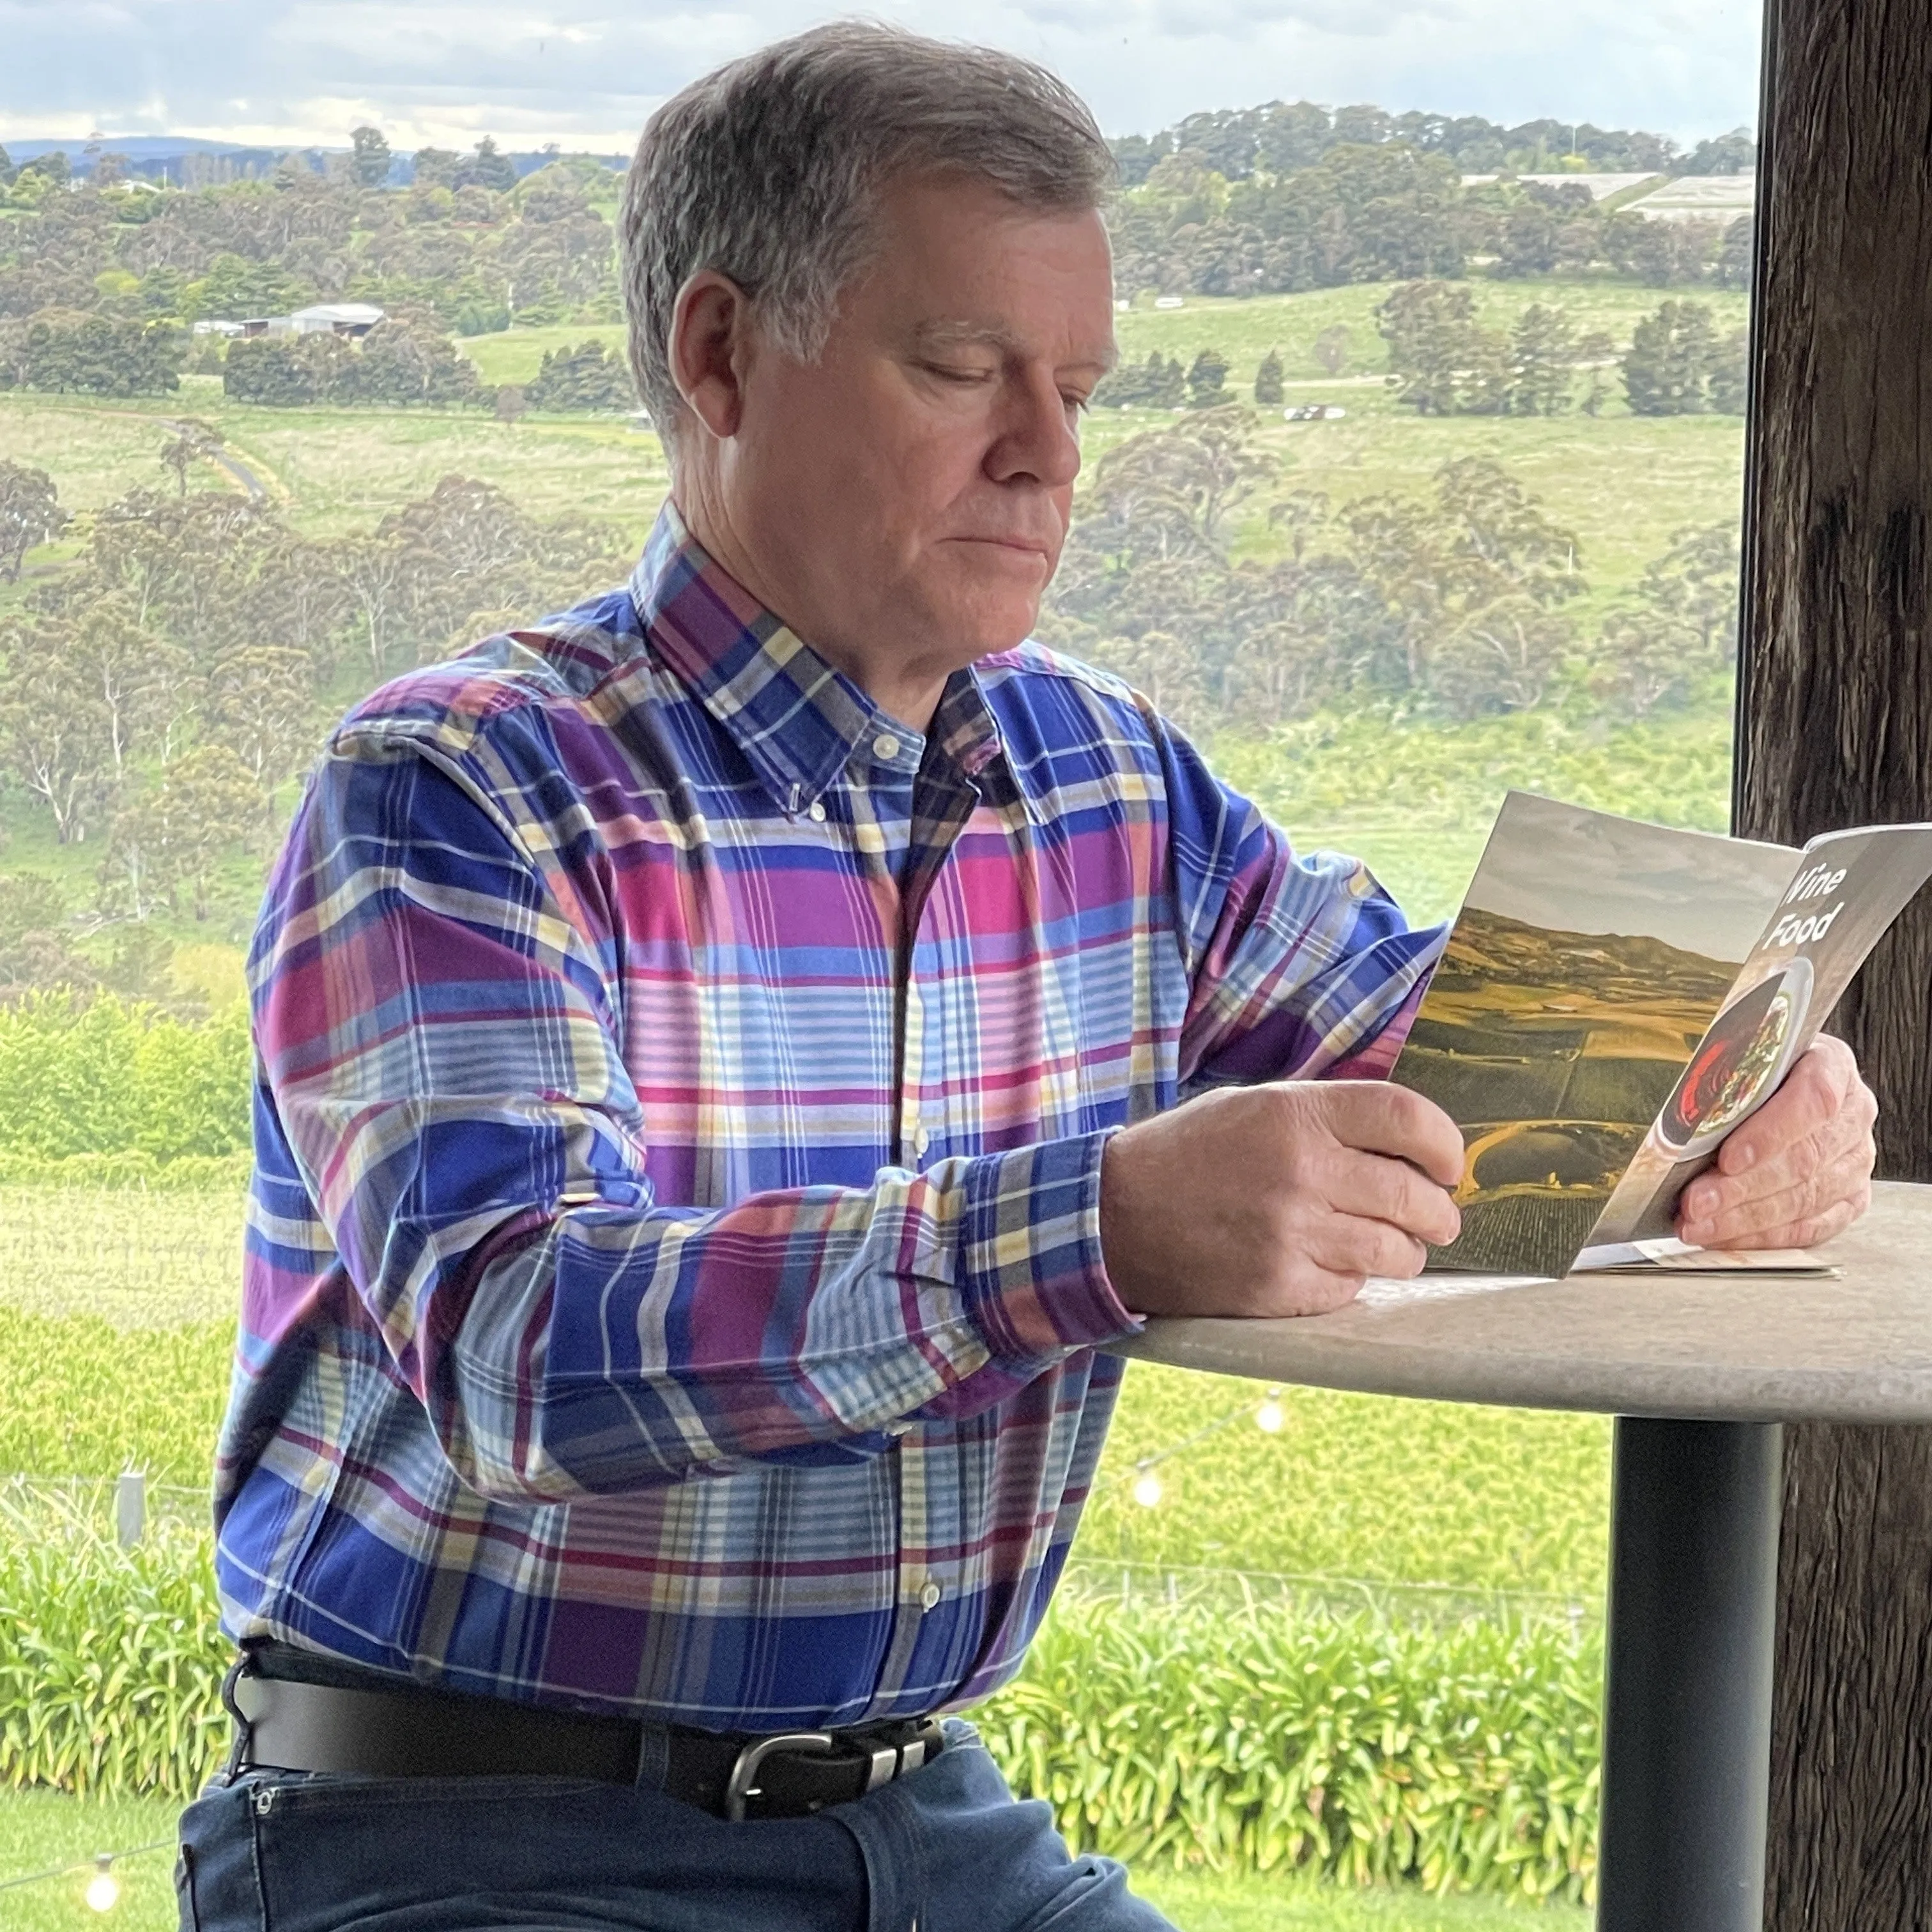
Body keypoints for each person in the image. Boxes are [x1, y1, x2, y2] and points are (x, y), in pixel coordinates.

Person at [174, 24, 1880, 1932]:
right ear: (719, 353)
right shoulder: (457, 789)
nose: (1049, 455)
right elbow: (518, 1348)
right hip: (468, 1839)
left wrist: (1737, 1072)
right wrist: (1104, 1226)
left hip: (934, 1823)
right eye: (963, 367)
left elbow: (1451, 1041)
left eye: (1076, 386)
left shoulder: (1107, 776)